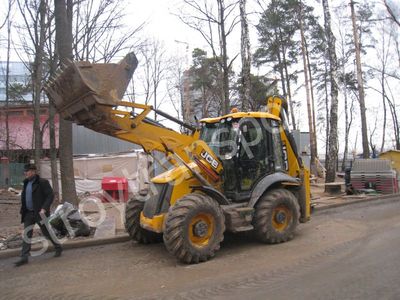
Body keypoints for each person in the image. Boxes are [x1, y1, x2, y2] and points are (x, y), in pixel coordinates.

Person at [14, 163, 63, 267]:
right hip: (28, 213)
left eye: (27, 171)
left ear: (33, 172)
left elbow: (50, 195)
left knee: (46, 232)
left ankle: (58, 247)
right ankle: (24, 257)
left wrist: (44, 208)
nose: (25, 173)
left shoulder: (42, 182)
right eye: (25, 171)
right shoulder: (26, 183)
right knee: (27, 234)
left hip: (40, 213)